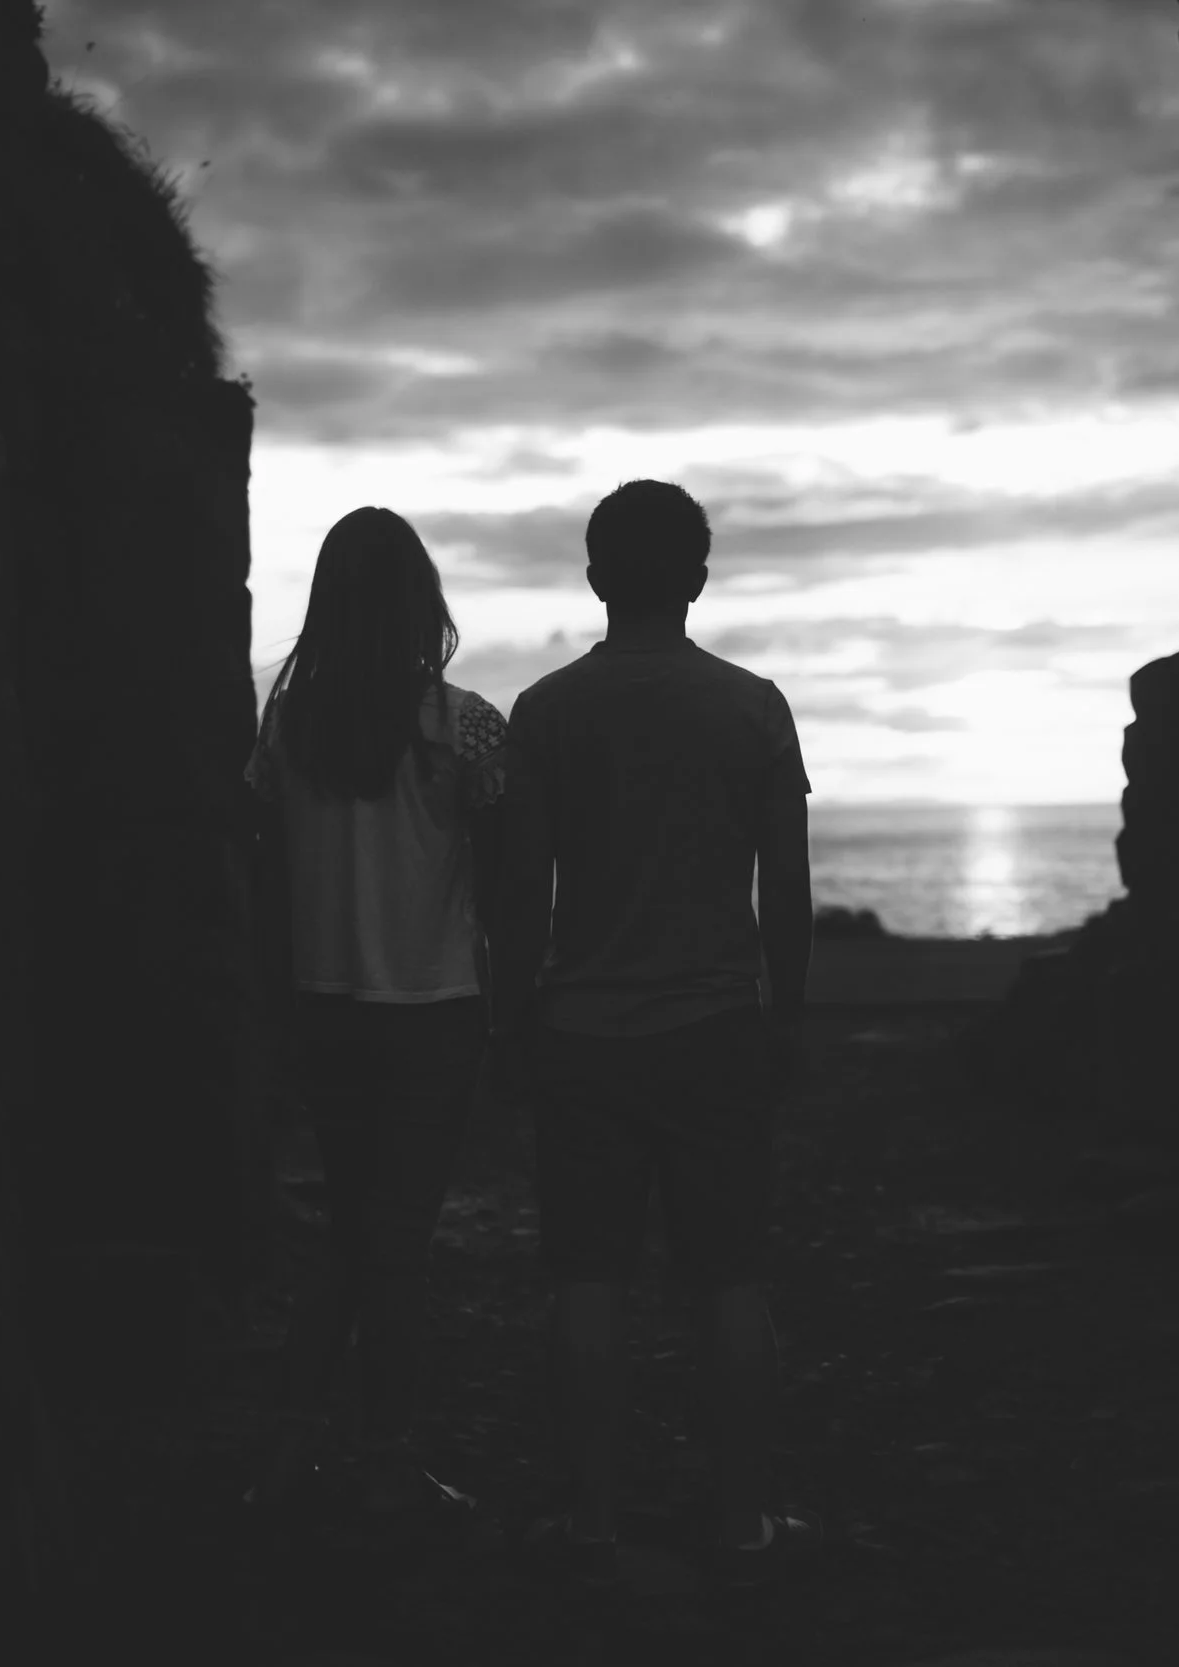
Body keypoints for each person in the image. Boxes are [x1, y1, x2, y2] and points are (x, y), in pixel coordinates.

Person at [492, 479, 818, 1587]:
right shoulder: (753, 707)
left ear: (594, 576)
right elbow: (788, 891)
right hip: (718, 1023)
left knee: (587, 1279)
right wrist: (788, 1017)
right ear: (698, 573)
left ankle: (591, 1520)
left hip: (581, 1030)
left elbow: (517, 893)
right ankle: (741, 1520)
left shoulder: (544, 713)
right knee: (730, 1278)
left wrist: (511, 1022)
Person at [241, 506, 505, 1518]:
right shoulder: (463, 724)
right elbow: (512, 874)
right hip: (431, 1010)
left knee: (358, 1235)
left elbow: (264, 880)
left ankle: (288, 1444)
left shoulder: (287, 724)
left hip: (323, 1007)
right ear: (418, 601)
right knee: (394, 1242)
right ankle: (386, 1454)